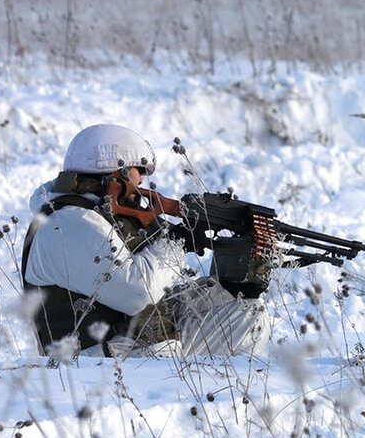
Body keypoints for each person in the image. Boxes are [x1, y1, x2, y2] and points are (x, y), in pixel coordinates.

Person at [22, 124, 271, 359]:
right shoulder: (66, 223)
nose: (141, 181)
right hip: (91, 366)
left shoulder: (103, 217)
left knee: (248, 313)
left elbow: (159, 300)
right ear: (114, 173)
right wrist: (178, 242)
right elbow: (136, 291)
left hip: (133, 346)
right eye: (138, 170)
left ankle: (231, 401)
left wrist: (227, 290)